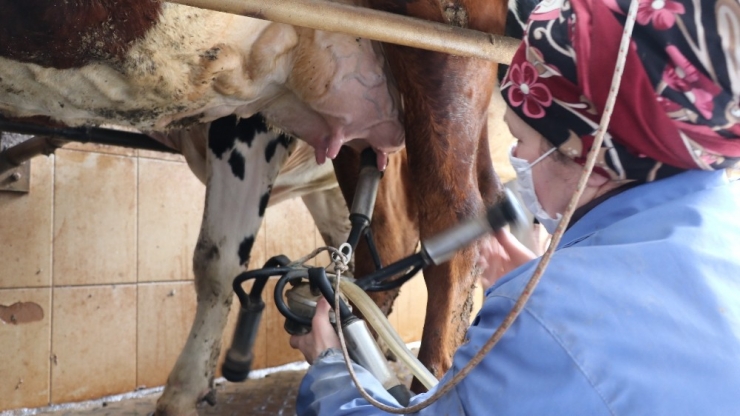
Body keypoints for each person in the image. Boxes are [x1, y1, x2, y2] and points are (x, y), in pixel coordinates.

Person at [288, 0, 740, 414]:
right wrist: (543, 293)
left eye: (523, 139)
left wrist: (330, 368)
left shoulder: (542, 321)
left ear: (588, 157)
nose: (518, 157)